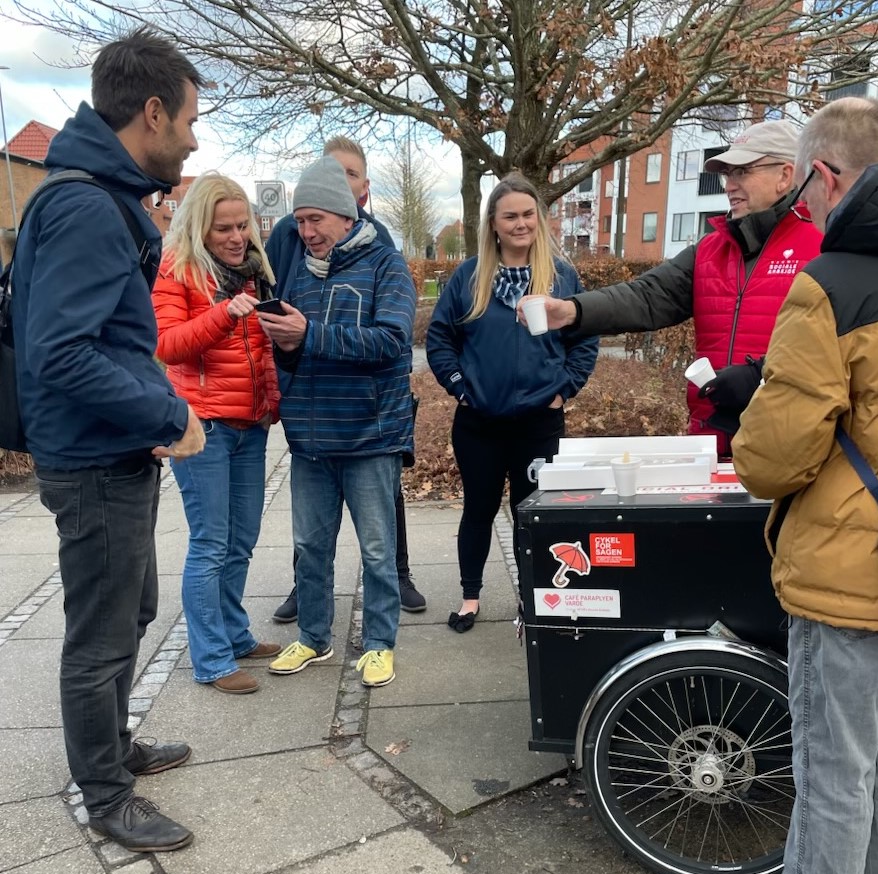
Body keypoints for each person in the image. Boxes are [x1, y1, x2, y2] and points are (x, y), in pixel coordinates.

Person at [732, 97, 878, 874]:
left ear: (823, 176)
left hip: (850, 575)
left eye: (805, 192)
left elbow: (773, 459)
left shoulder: (831, 284)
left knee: (832, 780)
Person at [10, 29, 204, 852]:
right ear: (152, 112)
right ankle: (106, 793)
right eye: (190, 120)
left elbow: (104, 339)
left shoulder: (95, 193)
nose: (195, 139)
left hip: (109, 449)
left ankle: (112, 745)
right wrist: (167, 415)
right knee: (100, 633)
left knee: (137, 608)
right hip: (92, 461)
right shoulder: (89, 204)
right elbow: (61, 353)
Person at [523, 120, 822, 456]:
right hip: (713, 444)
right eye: (727, 174)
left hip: (791, 449)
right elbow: (647, 296)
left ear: (785, 175)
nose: (729, 185)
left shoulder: (823, 246)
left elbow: (834, 353)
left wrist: (761, 378)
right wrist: (572, 310)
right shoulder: (711, 250)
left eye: (742, 172)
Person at [257, 155, 416, 687]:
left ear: (346, 216)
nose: (305, 232)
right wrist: (284, 348)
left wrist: (310, 336)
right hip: (311, 440)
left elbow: (393, 343)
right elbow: (294, 351)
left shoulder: (387, 266)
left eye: (315, 220)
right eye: (299, 221)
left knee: (377, 549)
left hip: (371, 436)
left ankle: (379, 644)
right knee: (310, 547)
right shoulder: (297, 270)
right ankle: (314, 637)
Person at [426, 172, 599, 632]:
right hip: (478, 423)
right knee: (478, 509)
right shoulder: (469, 277)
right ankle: (470, 597)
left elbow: (584, 340)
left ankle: (533, 597)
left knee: (534, 516)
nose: (521, 224)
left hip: (538, 425)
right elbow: (440, 340)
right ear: (494, 224)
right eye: (511, 216)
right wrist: (461, 386)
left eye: (528, 215)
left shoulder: (562, 276)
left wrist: (565, 389)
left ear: (539, 220)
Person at [152, 173, 282, 696]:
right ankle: (210, 659)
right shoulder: (178, 269)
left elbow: (263, 348)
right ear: (199, 228)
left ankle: (234, 633)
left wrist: (272, 400)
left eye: (241, 225)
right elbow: (167, 346)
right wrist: (223, 314)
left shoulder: (254, 270)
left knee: (241, 540)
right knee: (210, 544)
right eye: (222, 228)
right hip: (203, 426)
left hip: (250, 424)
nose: (235, 236)